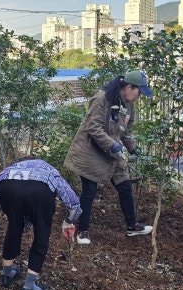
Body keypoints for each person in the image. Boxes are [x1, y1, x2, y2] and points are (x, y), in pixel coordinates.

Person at [64, 70, 153, 245]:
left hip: (113, 152)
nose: (139, 96)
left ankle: (132, 226)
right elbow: (93, 127)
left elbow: (126, 132)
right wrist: (112, 144)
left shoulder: (127, 104)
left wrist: (134, 149)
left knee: (125, 186)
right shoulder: (102, 98)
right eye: (138, 92)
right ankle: (83, 231)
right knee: (89, 191)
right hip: (91, 152)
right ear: (128, 87)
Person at [0, 158, 81, 290]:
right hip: (40, 190)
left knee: (14, 226)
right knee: (42, 232)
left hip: (6, 186)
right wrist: (68, 222)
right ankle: (29, 286)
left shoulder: (7, 173)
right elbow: (74, 204)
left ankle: (6, 274)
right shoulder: (50, 171)